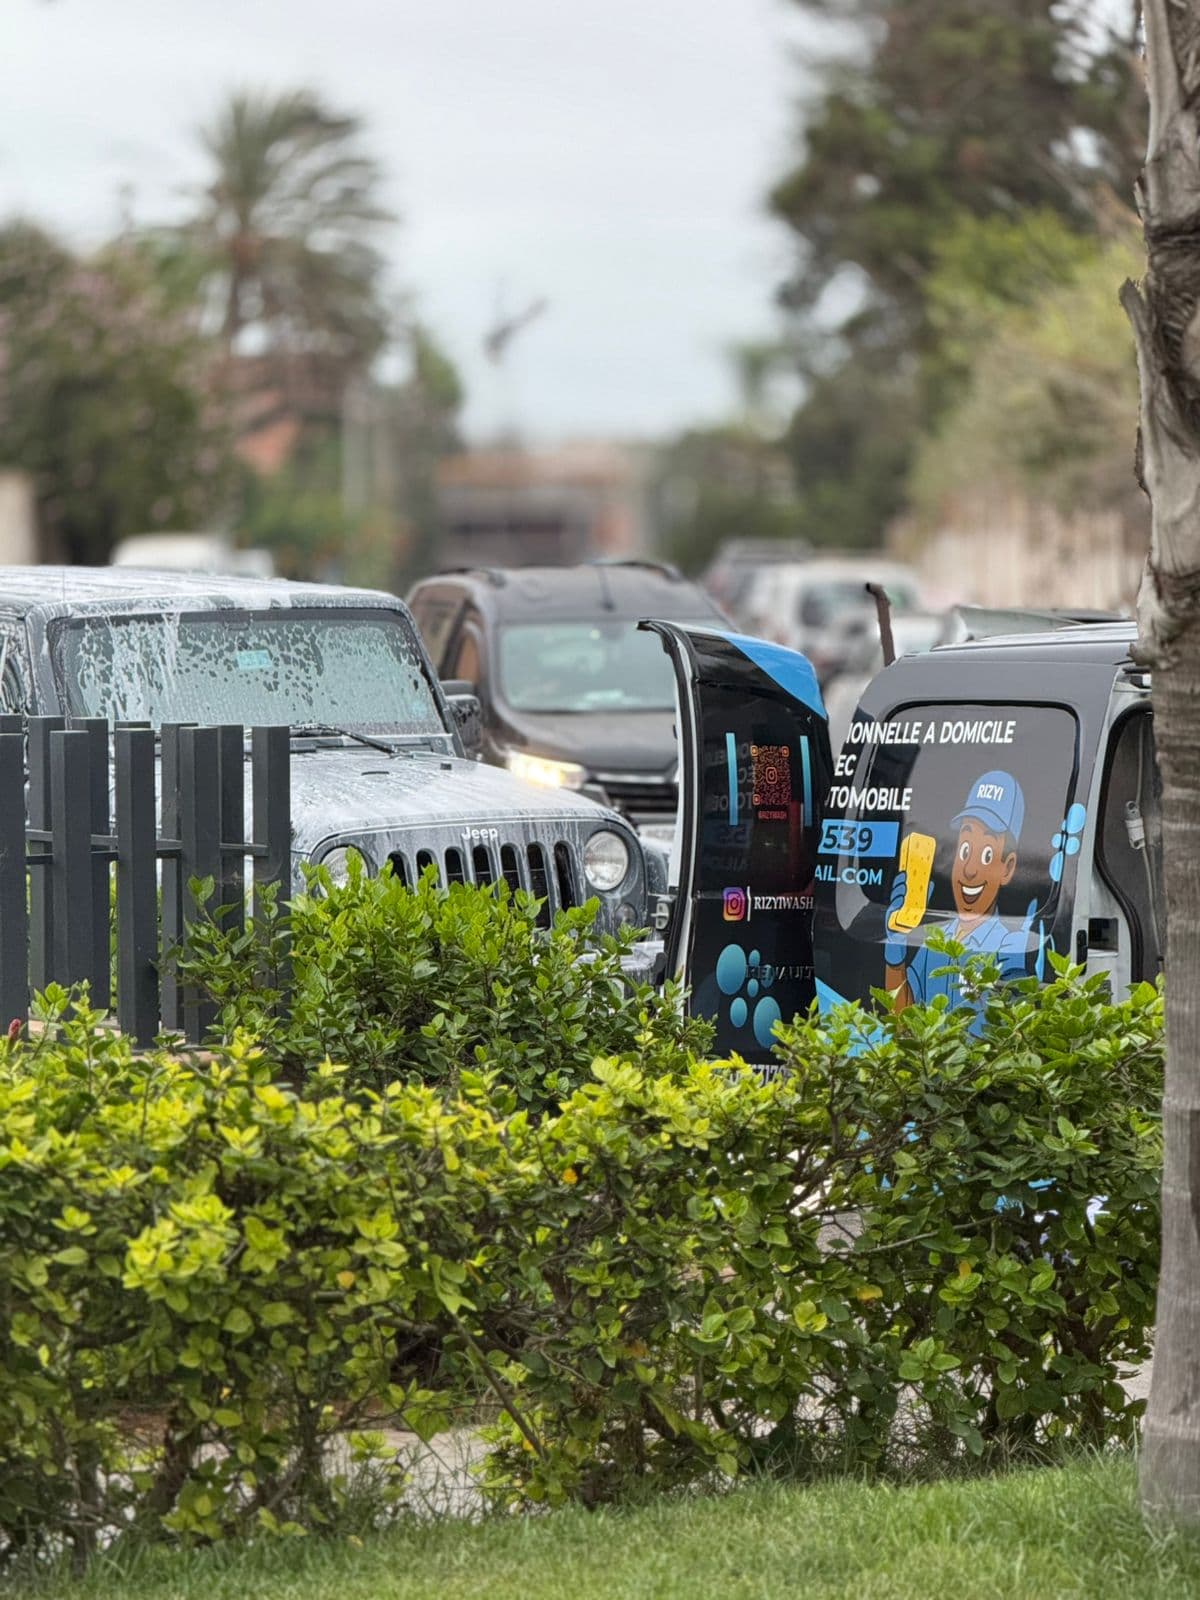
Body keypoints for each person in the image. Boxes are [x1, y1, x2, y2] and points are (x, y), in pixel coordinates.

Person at [884, 769, 1037, 1016]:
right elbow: (903, 1023)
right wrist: (895, 962)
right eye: (965, 850)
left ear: (1007, 868)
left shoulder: (1006, 948)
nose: (969, 870)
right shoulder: (935, 942)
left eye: (986, 854)